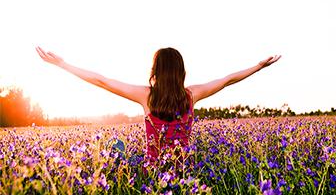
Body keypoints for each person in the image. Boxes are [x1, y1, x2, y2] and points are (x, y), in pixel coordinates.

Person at [36, 46, 281, 162]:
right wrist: (258, 67)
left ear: (155, 70)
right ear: (181, 71)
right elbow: (228, 80)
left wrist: (63, 64)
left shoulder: (146, 96)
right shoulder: (191, 95)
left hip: (153, 175)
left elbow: (102, 81)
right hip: (184, 175)